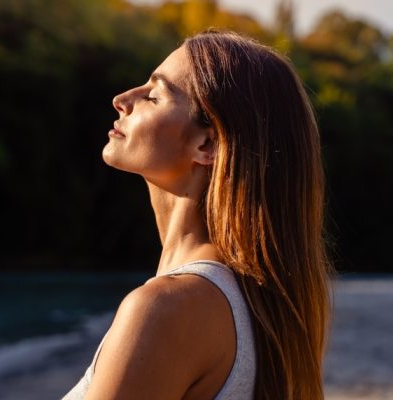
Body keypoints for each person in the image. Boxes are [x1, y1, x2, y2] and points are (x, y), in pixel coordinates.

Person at [62, 30, 332, 400]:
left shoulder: (165, 310)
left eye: (154, 95)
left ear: (206, 144)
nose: (123, 99)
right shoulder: (263, 311)